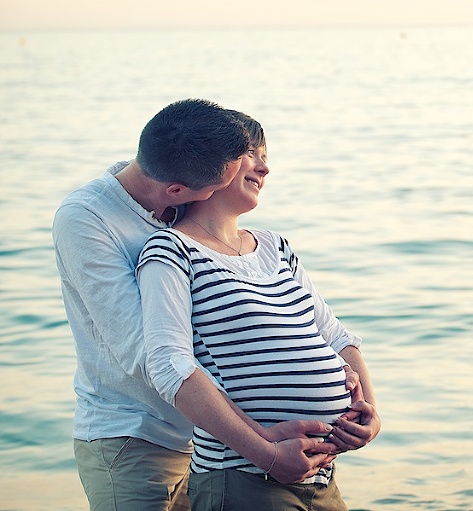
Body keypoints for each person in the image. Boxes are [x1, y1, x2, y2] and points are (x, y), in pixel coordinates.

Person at [53, 99, 339, 511]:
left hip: (210, 438)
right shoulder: (86, 219)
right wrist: (261, 443)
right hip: (135, 437)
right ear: (176, 191)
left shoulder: (181, 180)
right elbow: (149, 355)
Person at [135, 111, 380, 510]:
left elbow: (337, 337)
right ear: (217, 162)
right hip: (243, 477)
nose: (264, 168)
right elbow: (170, 367)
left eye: (266, 156)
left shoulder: (275, 247)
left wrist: (369, 411)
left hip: (320, 477)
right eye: (252, 153)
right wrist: (267, 454)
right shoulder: (172, 251)